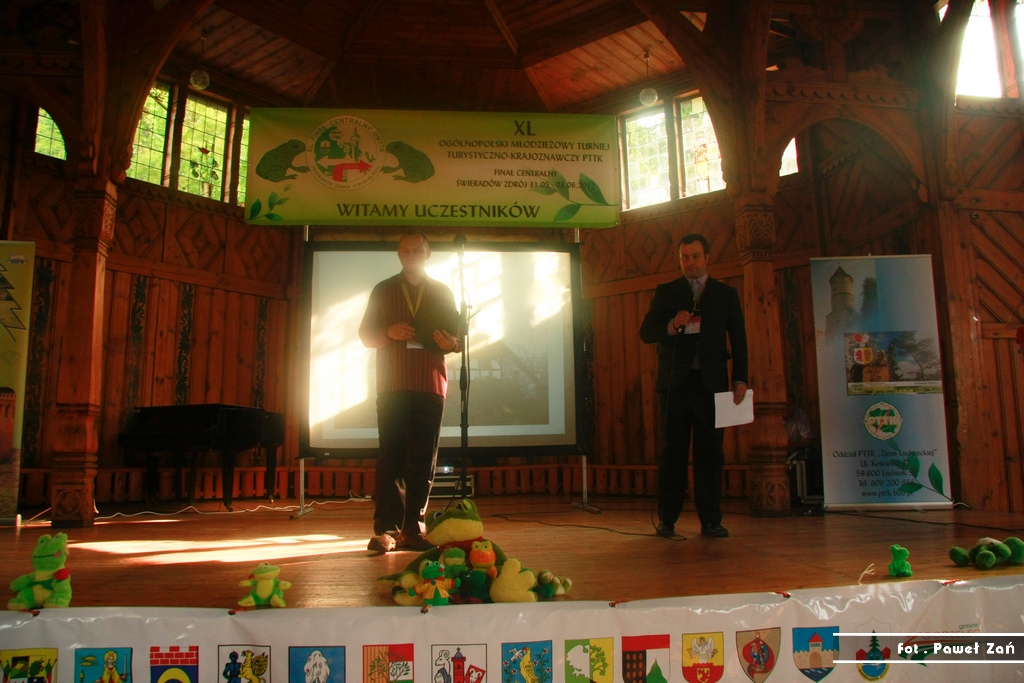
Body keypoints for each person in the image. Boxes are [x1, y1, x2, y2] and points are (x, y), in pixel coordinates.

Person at [639, 233, 748, 539]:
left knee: (710, 455)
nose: (690, 263)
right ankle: (667, 520)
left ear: (707, 258)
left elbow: (739, 339)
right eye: (684, 257)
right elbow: (646, 332)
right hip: (675, 386)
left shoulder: (725, 294)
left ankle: (711, 521)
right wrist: (672, 324)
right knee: (672, 454)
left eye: (696, 256)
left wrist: (740, 378)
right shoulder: (667, 291)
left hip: (711, 387)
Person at [359, 232, 461, 554]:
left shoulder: (442, 292)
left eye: (417, 249)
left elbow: (458, 337)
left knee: (423, 459)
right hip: (393, 383)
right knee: (391, 456)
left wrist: (452, 343)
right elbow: (365, 335)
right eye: (405, 250)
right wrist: (387, 332)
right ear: (398, 253)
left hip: (430, 383)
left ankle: (414, 529)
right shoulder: (383, 289)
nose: (411, 254)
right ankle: (386, 531)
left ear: (428, 253)